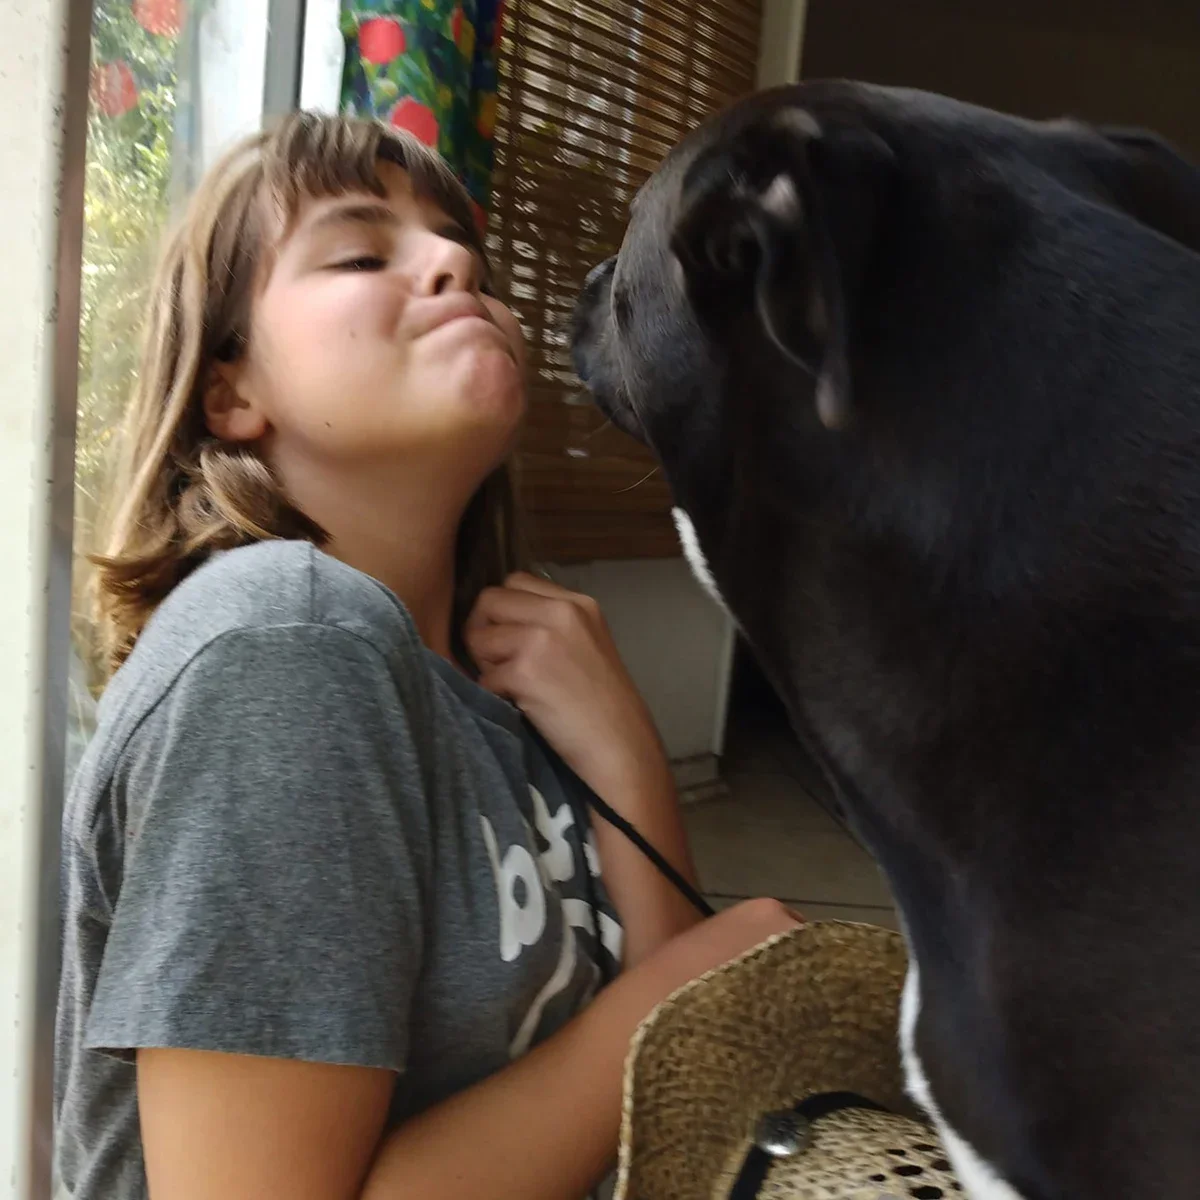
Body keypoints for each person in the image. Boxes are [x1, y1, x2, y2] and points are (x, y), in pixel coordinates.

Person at [55, 111, 798, 1200]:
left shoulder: (495, 681)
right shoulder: (287, 643)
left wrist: (624, 755)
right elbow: (678, 1015)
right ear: (232, 392)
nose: (457, 262)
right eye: (362, 252)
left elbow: (676, 1102)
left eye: (467, 252)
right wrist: (686, 982)